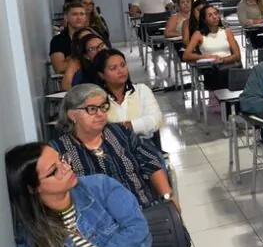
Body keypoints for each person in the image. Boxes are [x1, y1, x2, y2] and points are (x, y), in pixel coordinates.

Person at [6, 143, 180, 247]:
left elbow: (137, 227)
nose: (66, 168)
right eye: (54, 171)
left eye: (62, 159)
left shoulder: (99, 186)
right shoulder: (31, 227)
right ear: (32, 188)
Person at [50, 83, 173, 211]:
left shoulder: (120, 133)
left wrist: (168, 197)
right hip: (101, 224)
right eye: (92, 109)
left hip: (143, 208)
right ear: (72, 115)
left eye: (103, 107)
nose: (100, 114)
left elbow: (151, 163)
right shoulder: (58, 151)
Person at [93, 49, 163, 143]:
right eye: (113, 68)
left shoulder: (141, 90)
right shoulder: (96, 100)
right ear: (101, 75)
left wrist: (122, 127)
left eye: (123, 65)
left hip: (144, 145)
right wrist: (137, 125)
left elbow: (155, 120)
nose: (121, 71)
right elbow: (96, 130)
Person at [183, 4, 242, 93]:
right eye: (210, 15)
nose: (215, 17)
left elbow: (237, 55)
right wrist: (207, 57)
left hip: (228, 65)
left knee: (233, 72)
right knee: (217, 74)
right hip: (211, 69)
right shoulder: (198, 34)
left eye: (215, 14)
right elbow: (186, 55)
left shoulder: (227, 31)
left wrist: (222, 60)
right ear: (204, 19)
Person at [50, 1, 89, 74]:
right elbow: (60, 68)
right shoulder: (58, 41)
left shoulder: (94, 37)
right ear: (66, 17)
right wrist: (86, 58)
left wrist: (69, 60)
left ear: (86, 17)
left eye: (82, 14)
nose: (79, 17)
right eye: (75, 14)